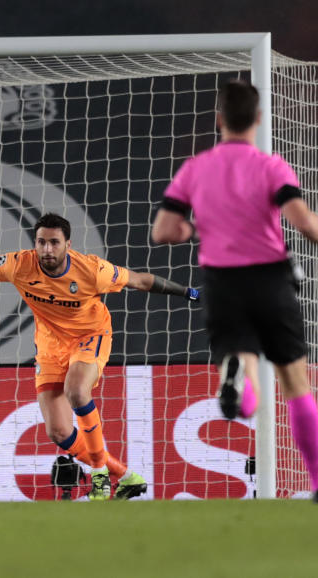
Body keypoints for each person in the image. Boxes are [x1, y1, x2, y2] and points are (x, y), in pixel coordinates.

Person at [0, 212, 198, 500]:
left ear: (67, 244)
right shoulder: (20, 264)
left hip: (90, 337)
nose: (47, 249)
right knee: (59, 432)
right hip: (49, 346)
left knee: (77, 391)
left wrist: (186, 292)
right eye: (41, 242)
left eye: (54, 243)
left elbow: (141, 280)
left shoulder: (92, 270)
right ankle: (127, 478)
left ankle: (100, 474)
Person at [153, 79, 318, 500]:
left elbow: (163, 230)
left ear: (219, 120)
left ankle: (237, 380)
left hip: (222, 283)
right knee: (295, 382)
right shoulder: (271, 166)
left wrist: (192, 228)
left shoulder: (195, 167)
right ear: (259, 120)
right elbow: (301, 219)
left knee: (241, 361)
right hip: (268, 280)